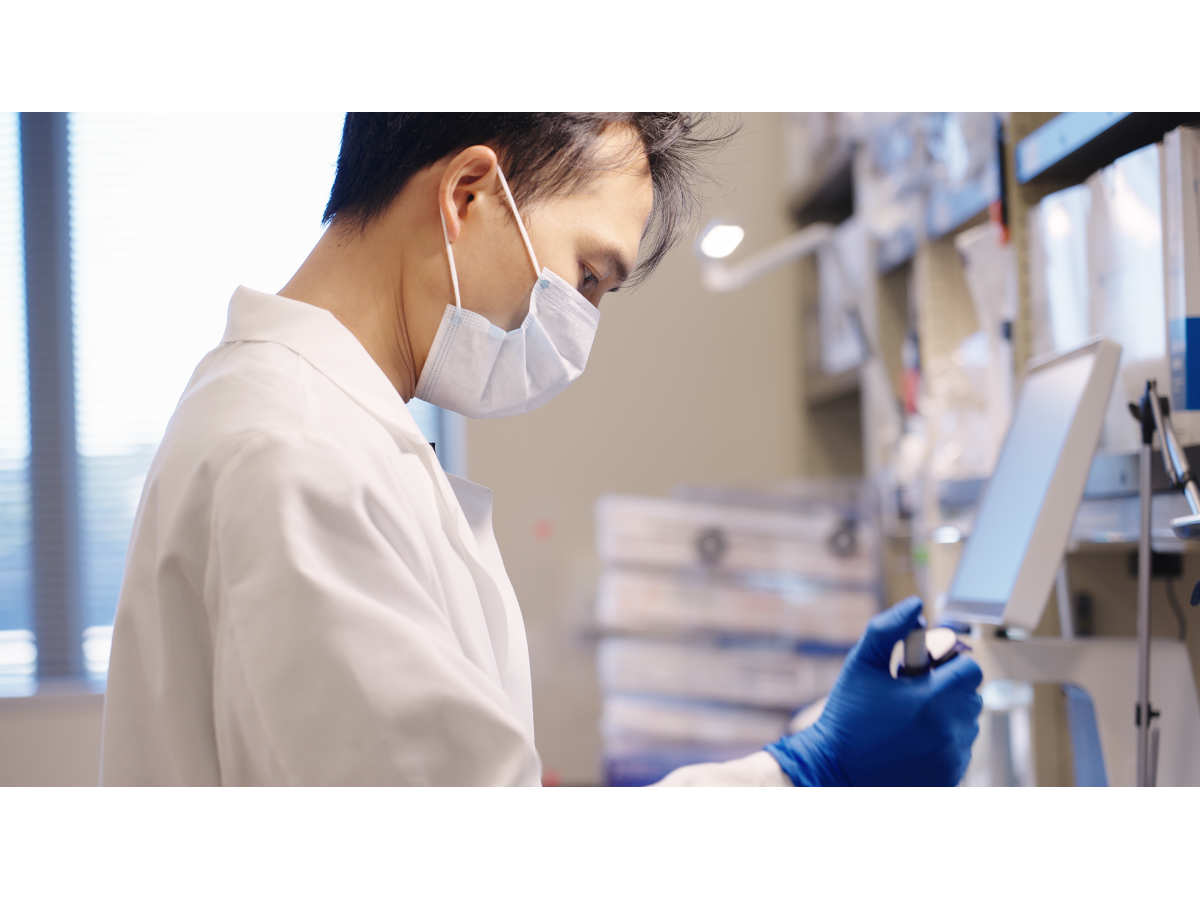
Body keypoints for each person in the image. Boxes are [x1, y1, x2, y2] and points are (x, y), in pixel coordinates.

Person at [100, 113, 982, 786]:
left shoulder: (320, 425)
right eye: (588, 276)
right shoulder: (291, 454)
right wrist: (801, 774)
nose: (581, 329)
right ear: (468, 195)